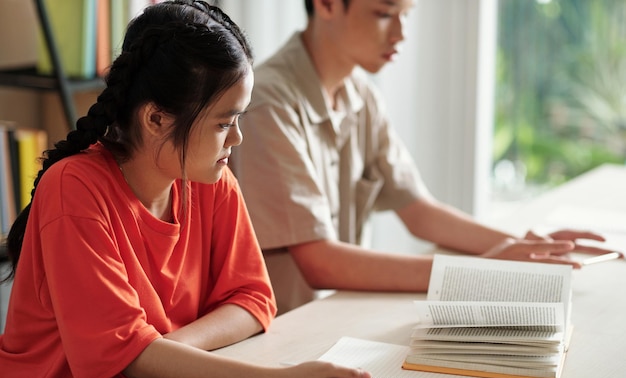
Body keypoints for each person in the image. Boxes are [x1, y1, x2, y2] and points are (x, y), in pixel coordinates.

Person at [0, 1, 388, 378]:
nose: (236, 139)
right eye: (223, 123)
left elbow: (254, 300)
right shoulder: (74, 189)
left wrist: (163, 351)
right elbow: (127, 356)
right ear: (156, 119)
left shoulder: (209, 178)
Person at [233, 0, 618, 314]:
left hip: (336, 315)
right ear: (328, 4)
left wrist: (533, 249)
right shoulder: (268, 103)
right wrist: (482, 271)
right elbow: (319, 263)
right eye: (384, 14)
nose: (401, 34)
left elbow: (420, 212)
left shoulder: (360, 94)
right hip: (284, 332)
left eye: (406, 14)